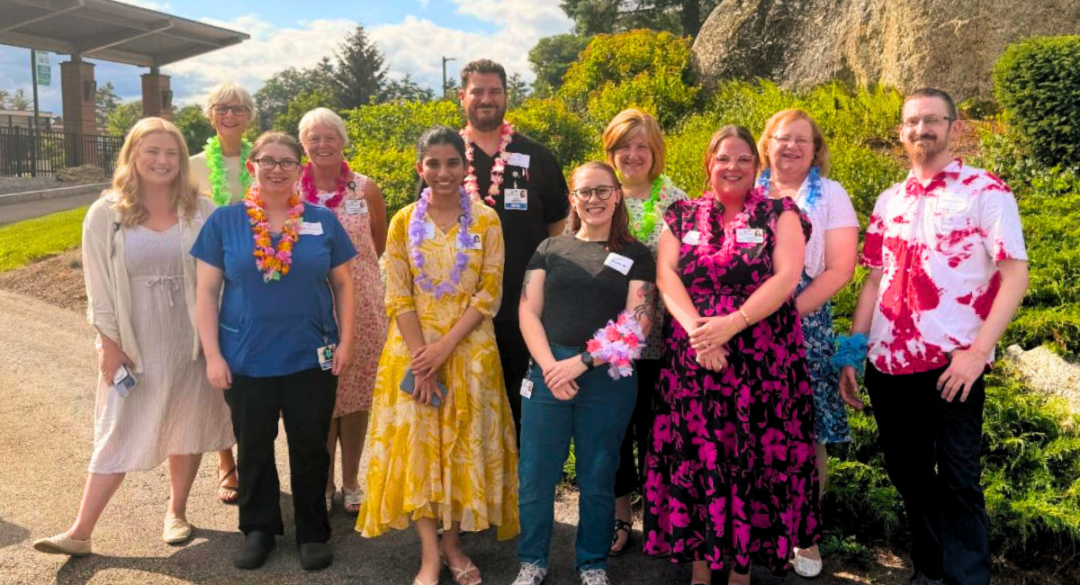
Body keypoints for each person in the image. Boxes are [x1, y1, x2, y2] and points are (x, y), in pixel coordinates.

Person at [838, 89, 1028, 585]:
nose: (921, 129)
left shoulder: (986, 191)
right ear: (900, 131)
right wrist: (852, 354)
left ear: (954, 127)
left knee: (960, 482)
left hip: (952, 368)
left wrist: (978, 354)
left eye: (932, 120)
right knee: (909, 477)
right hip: (887, 365)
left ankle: (966, 579)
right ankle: (928, 572)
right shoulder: (889, 199)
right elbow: (874, 279)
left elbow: (1015, 274)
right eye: (911, 122)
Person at [32, 117, 234, 557]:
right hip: (134, 335)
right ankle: (81, 531)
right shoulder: (108, 212)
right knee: (117, 430)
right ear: (133, 156)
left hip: (192, 335)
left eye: (171, 153)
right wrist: (107, 342)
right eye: (152, 152)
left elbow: (220, 277)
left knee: (187, 419)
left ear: (182, 159)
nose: (162, 161)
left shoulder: (202, 210)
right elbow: (98, 284)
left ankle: (176, 512)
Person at [643, 126, 820, 585]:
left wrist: (732, 323)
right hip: (694, 364)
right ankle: (702, 569)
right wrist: (701, 335)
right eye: (724, 158)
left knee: (751, 462)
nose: (733, 167)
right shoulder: (680, 214)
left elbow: (786, 279)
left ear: (756, 168)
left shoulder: (780, 213)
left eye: (744, 160)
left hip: (761, 366)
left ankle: (741, 573)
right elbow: (666, 276)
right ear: (708, 162)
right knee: (701, 461)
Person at [357, 126, 518, 585]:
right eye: (433, 163)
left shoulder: (487, 221)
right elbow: (398, 295)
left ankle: (453, 544)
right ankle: (430, 553)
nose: (443, 172)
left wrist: (444, 348)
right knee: (421, 451)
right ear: (420, 168)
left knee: (457, 449)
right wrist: (420, 358)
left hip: (468, 353)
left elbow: (490, 293)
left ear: (465, 168)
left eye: (452, 163)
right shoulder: (403, 221)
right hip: (411, 352)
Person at [191, 131, 357, 572]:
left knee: (309, 446)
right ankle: (259, 529)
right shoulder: (225, 222)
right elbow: (206, 292)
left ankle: (312, 531)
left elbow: (343, 283)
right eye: (269, 160)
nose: (278, 169)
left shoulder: (323, 220)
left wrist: (346, 341)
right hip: (246, 357)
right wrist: (212, 355)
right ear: (253, 166)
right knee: (254, 446)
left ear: (300, 169)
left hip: (310, 355)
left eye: (287, 162)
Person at [514, 161, 656, 585]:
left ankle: (592, 563)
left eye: (602, 191)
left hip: (607, 377)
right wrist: (550, 367)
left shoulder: (636, 253)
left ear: (617, 195)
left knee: (599, 472)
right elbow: (527, 311)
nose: (593, 199)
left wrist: (582, 362)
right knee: (536, 474)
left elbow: (638, 323)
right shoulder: (549, 249)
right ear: (573, 199)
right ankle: (532, 561)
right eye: (585, 192)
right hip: (547, 371)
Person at [755, 109, 859, 577]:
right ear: (767, 144)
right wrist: (752, 315)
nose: (792, 147)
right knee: (753, 426)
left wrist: (782, 314)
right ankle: (758, 528)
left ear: (816, 149)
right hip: (749, 315)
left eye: (802, 140)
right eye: (783, 138)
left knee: (807, 431)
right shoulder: (746, 187)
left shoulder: (831, 195)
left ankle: (806, 536)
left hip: (804, 314)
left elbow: (840, 268)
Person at [453, 59, 570, 438]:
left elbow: (558, 227)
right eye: (478, 91)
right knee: (469, 407)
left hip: (526, 309)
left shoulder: (536, 155)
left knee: (524, 405)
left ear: (506, 96)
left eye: (495, 91)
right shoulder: (444, 157)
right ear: (462, 97)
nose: (486, 99)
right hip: (462, 310)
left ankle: (523, 491)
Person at [600, 108, 689, 557]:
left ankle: (660, 519)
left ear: (656, 153)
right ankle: (619, 514)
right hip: (606, 343)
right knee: (612, 433)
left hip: (662, 343)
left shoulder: (677, 201)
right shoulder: (598, 193)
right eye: (624, 147)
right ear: (610, 151)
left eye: (642, 147)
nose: (633, 155)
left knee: (657, 434)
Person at [297, 107, 389, 515]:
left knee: (355, 399)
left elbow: (378, 242)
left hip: (363, 303)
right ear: (303, 145)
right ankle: (324, 479)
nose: (322, 144)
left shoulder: (364, 189)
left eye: (329, 136)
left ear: (343, 140)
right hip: (308, 308)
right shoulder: (290, 191)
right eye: (313, 137)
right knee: (318, 399)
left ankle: (351, 480)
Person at [188, 81, 256, 504]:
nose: (229, 115)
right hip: (209, 272)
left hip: (255, 275)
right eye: (221, 108)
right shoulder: (193, 166)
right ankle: (225, 459)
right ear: (210, 115)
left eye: (238, 108)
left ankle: (254, 453)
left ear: (249, 116)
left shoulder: (261, 160)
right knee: (218, 367)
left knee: (249, 369)